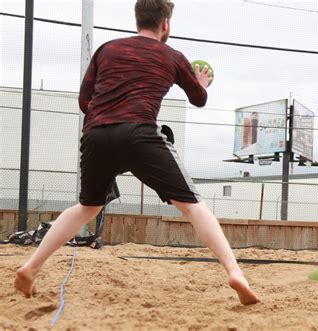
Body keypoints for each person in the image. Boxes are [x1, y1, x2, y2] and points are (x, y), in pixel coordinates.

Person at [14, 0, 259, 305]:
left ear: (137, 18)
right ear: (165, 24)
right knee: (194, 207)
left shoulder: (107, 49)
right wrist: (201, 83)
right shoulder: (172, 56)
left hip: (95, 134)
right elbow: (198, 100)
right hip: (139, 132)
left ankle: (31, 267)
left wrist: (107, 119)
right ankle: (235, 272)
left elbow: (83, 100)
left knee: (87, 207)